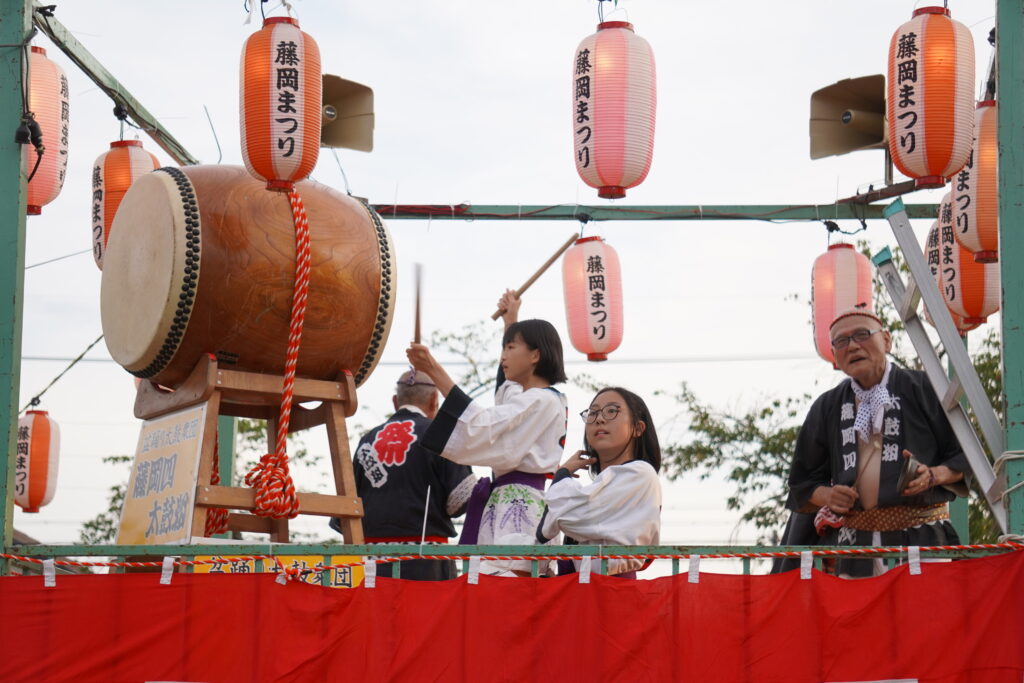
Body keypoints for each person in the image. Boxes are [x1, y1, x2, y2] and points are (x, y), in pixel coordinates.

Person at [786, 307, 970, 577]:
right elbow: (802, 482)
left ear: (886, 340)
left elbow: (965, 455)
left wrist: (932, 475)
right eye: (841, 341)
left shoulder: (925, 388)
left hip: (922, 540)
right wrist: (828, 495)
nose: (852, 346)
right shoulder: (828, 406)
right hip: (853, 546)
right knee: (857, 617)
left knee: (924, 616)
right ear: (835, 355)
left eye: (862, 335)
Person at [406, 290, 568, 576]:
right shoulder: (534, 399)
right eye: (504, 348)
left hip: (519, 505)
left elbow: (484, 425)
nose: (504, 356)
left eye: (511, 348)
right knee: (494, 590)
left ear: (535, 355)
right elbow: (505, 396)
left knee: (508, 592)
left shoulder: (543, 400)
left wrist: (433, 370)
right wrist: (511, 322)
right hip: (506, 502)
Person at [331, 369, 477, 580]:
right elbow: (461, 502)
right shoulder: (441, 436)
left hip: (373, 565)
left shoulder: (367, 441)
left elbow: (345, 511)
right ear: (435, 400)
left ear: (395, 401)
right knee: (429, 614)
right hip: (428, 564)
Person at [537, 387, 662, 578]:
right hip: (588, 594)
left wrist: (562, 474)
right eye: (593, 413)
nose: (600, 419)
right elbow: (556, 518)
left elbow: (560, 514)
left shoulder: (640, 473)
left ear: (638, 428)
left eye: (612, 411)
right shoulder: (591, 494)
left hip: (613, 593)